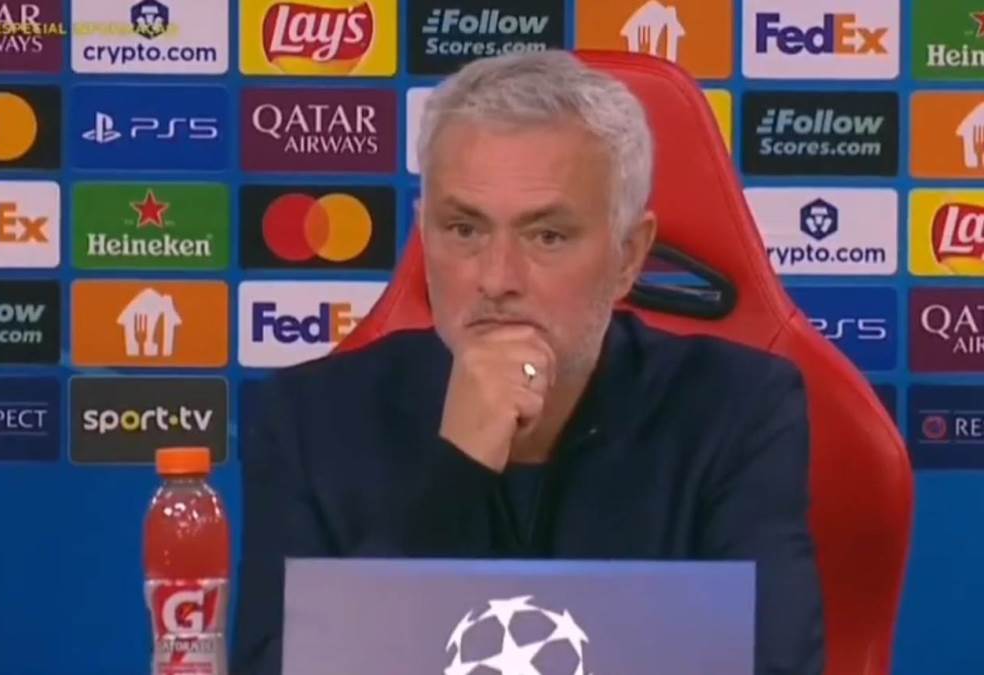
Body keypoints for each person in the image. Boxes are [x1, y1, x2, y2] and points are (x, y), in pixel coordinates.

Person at [232, 49, 825, 675]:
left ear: (628, 256)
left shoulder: (737, 411)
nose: (497, 279)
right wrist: (456, 472)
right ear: (424, 234)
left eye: (547, 236)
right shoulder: (307, 423)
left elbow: (773, 664)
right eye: (464, 229)